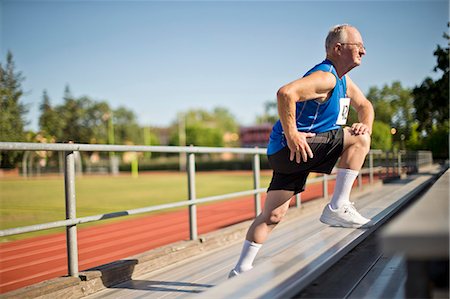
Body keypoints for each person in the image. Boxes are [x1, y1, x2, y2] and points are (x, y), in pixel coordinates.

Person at [229, 24, 374, 278]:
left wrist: (366, 123)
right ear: (338, 49)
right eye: (358, 46)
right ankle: (337, 206)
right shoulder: (327, 76)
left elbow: (365, 105)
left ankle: (240, 269)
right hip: (295, 146)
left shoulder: (344, 80)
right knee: (360, 140)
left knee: (272, 215)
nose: (364, 51)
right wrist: (292, 133)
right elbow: (285, 93)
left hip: (294, 152)